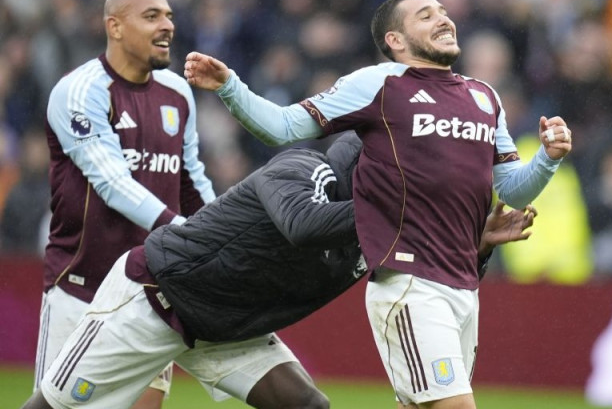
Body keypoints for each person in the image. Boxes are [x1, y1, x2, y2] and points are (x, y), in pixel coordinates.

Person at [183, 0, 572, 408]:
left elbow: (511, 188)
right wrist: (229, 86)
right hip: (410, 283)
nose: (443, 19)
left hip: (463, 284)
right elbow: (282, 127)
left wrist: (547, 160)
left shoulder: (484, 96)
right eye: (425, 16)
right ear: (396, 41)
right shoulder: (380, 82)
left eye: (442, 11)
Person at [20, 132, 536, 409]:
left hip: (227, 330)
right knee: (56, 407)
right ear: (361, 171)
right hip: (156, 299)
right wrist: (397, 211)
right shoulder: (298, 169)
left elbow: (425, 278)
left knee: (306, 406)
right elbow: (302, 226)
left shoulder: (385, 227)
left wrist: (476, 247)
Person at [35, 0, 215, 409]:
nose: (167, 25)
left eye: (169, 16)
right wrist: (187, 232)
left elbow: (190, 180)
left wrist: (220, 230)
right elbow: (113, 184)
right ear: (114, 26)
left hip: (148, 292)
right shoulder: (80, 91)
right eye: (151, 16)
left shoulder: (177, 92)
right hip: (80, 287)